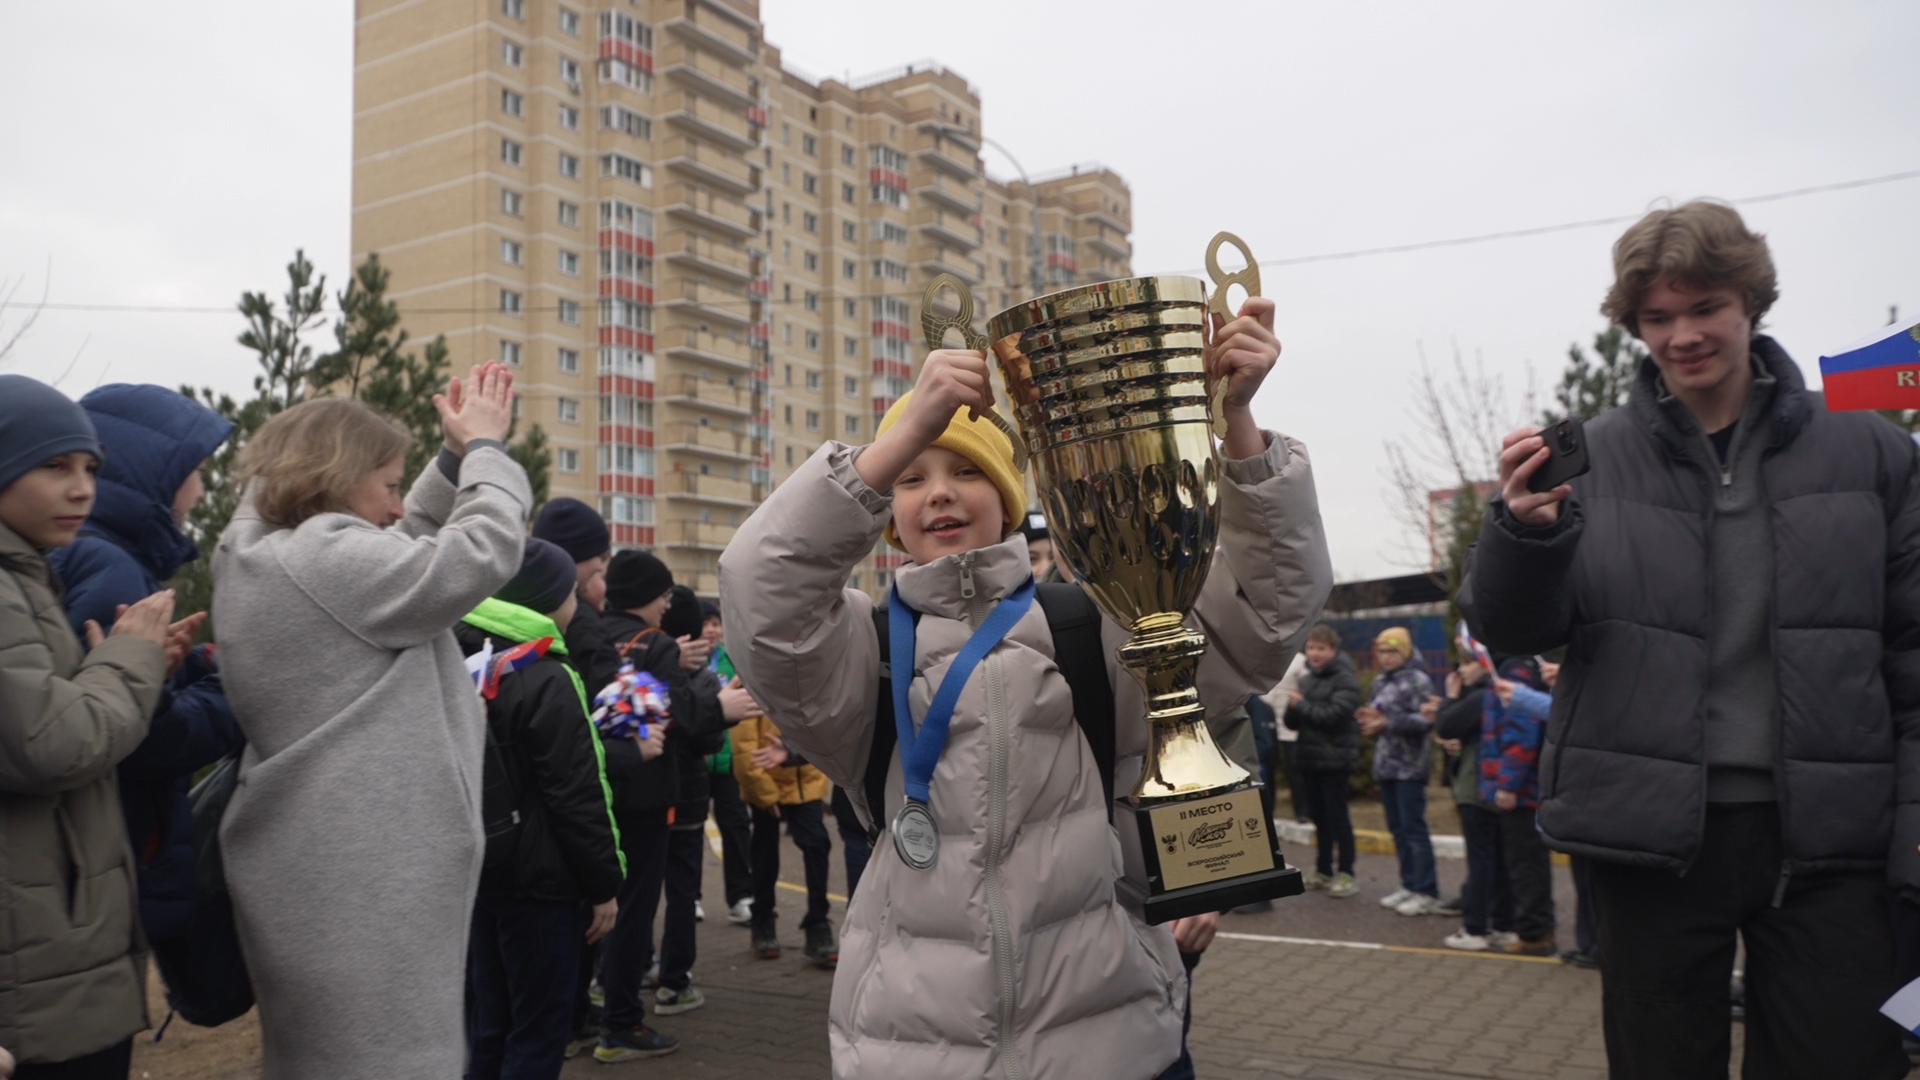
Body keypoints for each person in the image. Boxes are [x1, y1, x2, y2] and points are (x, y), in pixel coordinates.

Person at [717, 295, 1330, 1080]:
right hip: (915, 1051)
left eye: (967, 469)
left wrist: (1237, 425)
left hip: (1112, 1042)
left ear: (1010, 497)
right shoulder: (860, 656)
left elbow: (1266, 614)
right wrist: (902, 430)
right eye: (911, 476)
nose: (939, 491)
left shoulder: (1093, 628)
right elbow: (761, 593)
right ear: (888, 511)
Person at [1462, 200, 1915, 1077]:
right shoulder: (1585, 463)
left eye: (1706, 307)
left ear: (1751, 301)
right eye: (1658, 317)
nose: (1683, 336)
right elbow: (1513, 631)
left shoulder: (1870, 449)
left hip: (1833, 836)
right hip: (1648, 834)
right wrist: (1521, 534)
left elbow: (1913, 652)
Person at [212, 365, 531, 1080]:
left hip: (329, 869)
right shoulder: (321, 562)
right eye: (387, 484)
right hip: (363, 884)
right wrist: (487, 453)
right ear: (336, 477)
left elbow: (398, 544)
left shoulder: (275, 556)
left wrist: (452, 460)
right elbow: (476, 553)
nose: (396, 504)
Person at [0, 376, 180, 1078]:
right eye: (54, 466)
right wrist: (129, 661)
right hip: (32, 988)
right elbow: (50, 744)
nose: (82, 490)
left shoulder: (26, 573)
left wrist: (130, 665)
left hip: (48, 964)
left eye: (91, 469)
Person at [47, 385, 244, 989]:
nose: (201, 491)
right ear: (153, 473)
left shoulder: (75, 554)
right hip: (107, 861)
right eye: (196, 472)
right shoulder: (114, 569)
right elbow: (137, 734)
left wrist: (191, 665)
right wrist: (240, 691)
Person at [456, 539, 623, 1080]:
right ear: (547, 601)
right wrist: (603, 884)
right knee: (538, 1031)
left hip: (483, 873)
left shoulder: (464, 661)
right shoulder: (546, 674)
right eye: (572, 591)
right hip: (544, 886)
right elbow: (575, 793)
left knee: (489, 1024)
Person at [590, 549, 688, 1061]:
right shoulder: (658, 645)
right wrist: (720, 707)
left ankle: (584, 1008)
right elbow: (681, 719)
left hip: (595, 789)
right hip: (647, 795)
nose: (667, 605)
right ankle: (621, 1021)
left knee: (594, 902)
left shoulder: (587, 634)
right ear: (648, 596)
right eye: (664, 595)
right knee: (633, 909)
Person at [731, 692, 836, 964]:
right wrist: (764, 793)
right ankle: (763, 921)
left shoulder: (812, 681)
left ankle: (818, 923)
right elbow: (744, 749)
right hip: (767, 783)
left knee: (817, 845)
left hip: (807, 783)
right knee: (765, 856)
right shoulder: (751, 683)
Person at [1432, 656, 1514, 952]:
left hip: (1477, 785)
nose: (1461, 670)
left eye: (1468, 662)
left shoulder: (1481, 695)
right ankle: (1505, 924)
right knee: (1500, 858)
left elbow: (1446, 725)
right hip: (1499, 784)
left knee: (1481, 859)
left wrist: (1451, 698)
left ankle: (1476, 927)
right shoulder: (1505, 692)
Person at [1358, 627, 1439, 915]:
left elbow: (1426, 720)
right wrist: (1370, 721)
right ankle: (1409, 884)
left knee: (1413, 828)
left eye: (1392, 651)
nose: (1386, 657)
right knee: (1397, 829)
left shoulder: (1418, 680)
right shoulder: (1380, 682)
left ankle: (1426, 890)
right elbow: (1379, 715)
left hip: (1410, 766)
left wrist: (1388, 722)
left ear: (1404, 652)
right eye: (1381, 651)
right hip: (1386, 765)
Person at [1283, 624, 1361, 898]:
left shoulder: (1345, 679)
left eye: (1321, 648)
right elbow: (1293, 723)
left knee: (1338, 817)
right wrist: (1292, 707)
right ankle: (1323, 869)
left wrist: (1302, 705)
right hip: (1309, 759)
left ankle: (1347, 872)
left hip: (1335, 760)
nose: (1315, 653)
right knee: (1319, 818)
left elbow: (1334, 715)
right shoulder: (1306, 680)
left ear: (1333, 651)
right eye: (1311, 648)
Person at [1482, 668, 1556, 956]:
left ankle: (1536, 934)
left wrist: (1509, 783)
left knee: (1527, 864)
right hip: (1523, 788)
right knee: (1522, 863)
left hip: (1525, 792)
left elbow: (1522, 733)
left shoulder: (1515, 674)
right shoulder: (1510, 672)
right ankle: (1533, 929)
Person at [702, 601, 757, 925]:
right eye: (706, 623)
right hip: (697, 761)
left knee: (736, 827)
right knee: (690, 833)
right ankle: (692, 897)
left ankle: (740, 897)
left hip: (728, 762)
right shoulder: (685, 661)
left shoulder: (731, 660)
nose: (712, 630)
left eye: (716, 623)